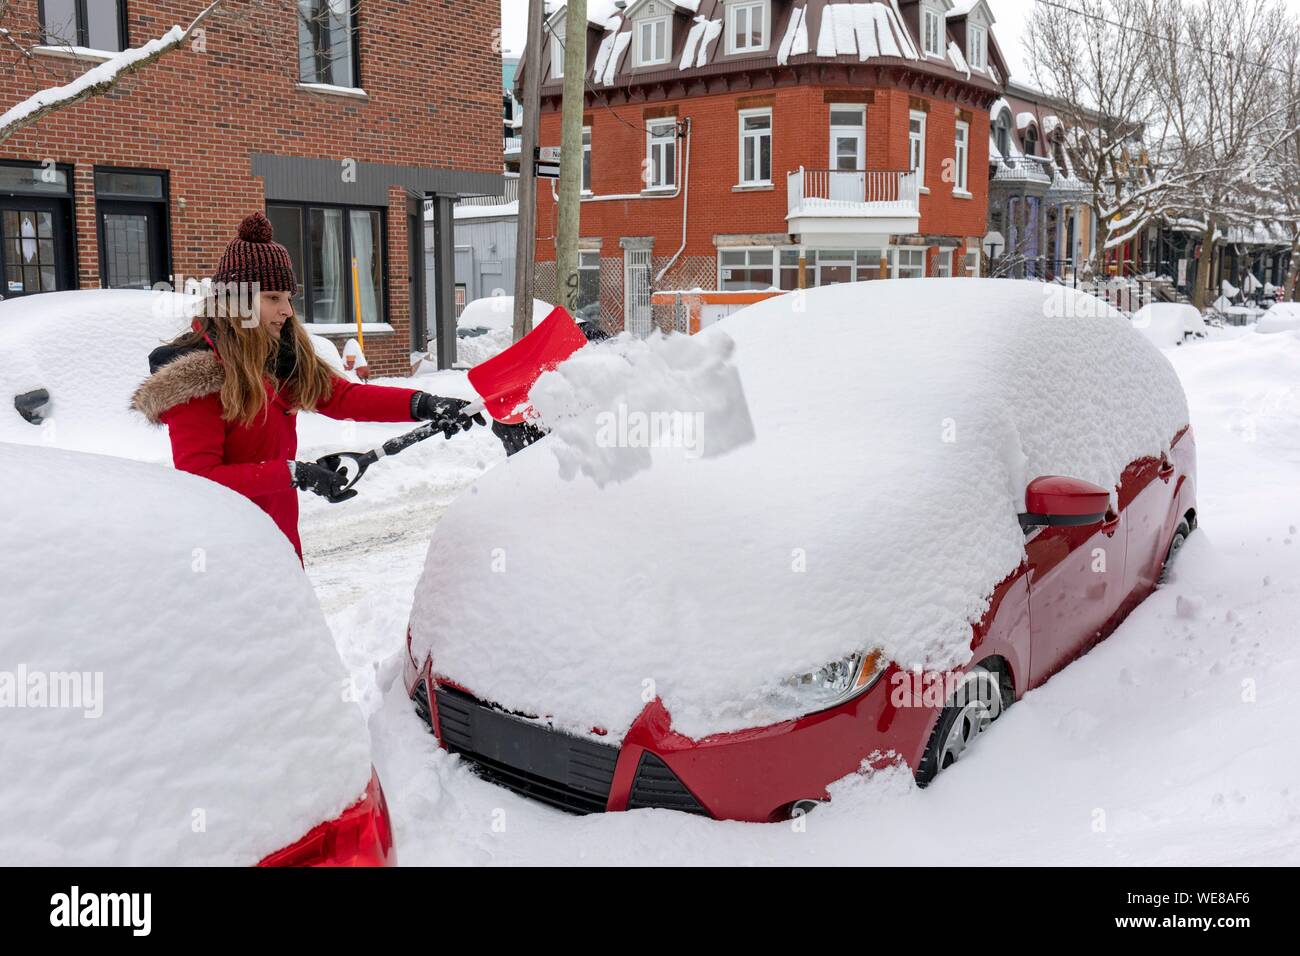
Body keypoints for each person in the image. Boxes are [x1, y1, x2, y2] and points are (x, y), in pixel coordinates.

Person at [131, 211, 481, 560]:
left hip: (280, 542)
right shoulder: (199, 380)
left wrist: (424, 404)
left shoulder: (278, 358)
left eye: (288, 298)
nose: (286, 310)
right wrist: (293, 473)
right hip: (229, 553)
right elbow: (201, 479)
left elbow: (343, 397)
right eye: (272, 298)